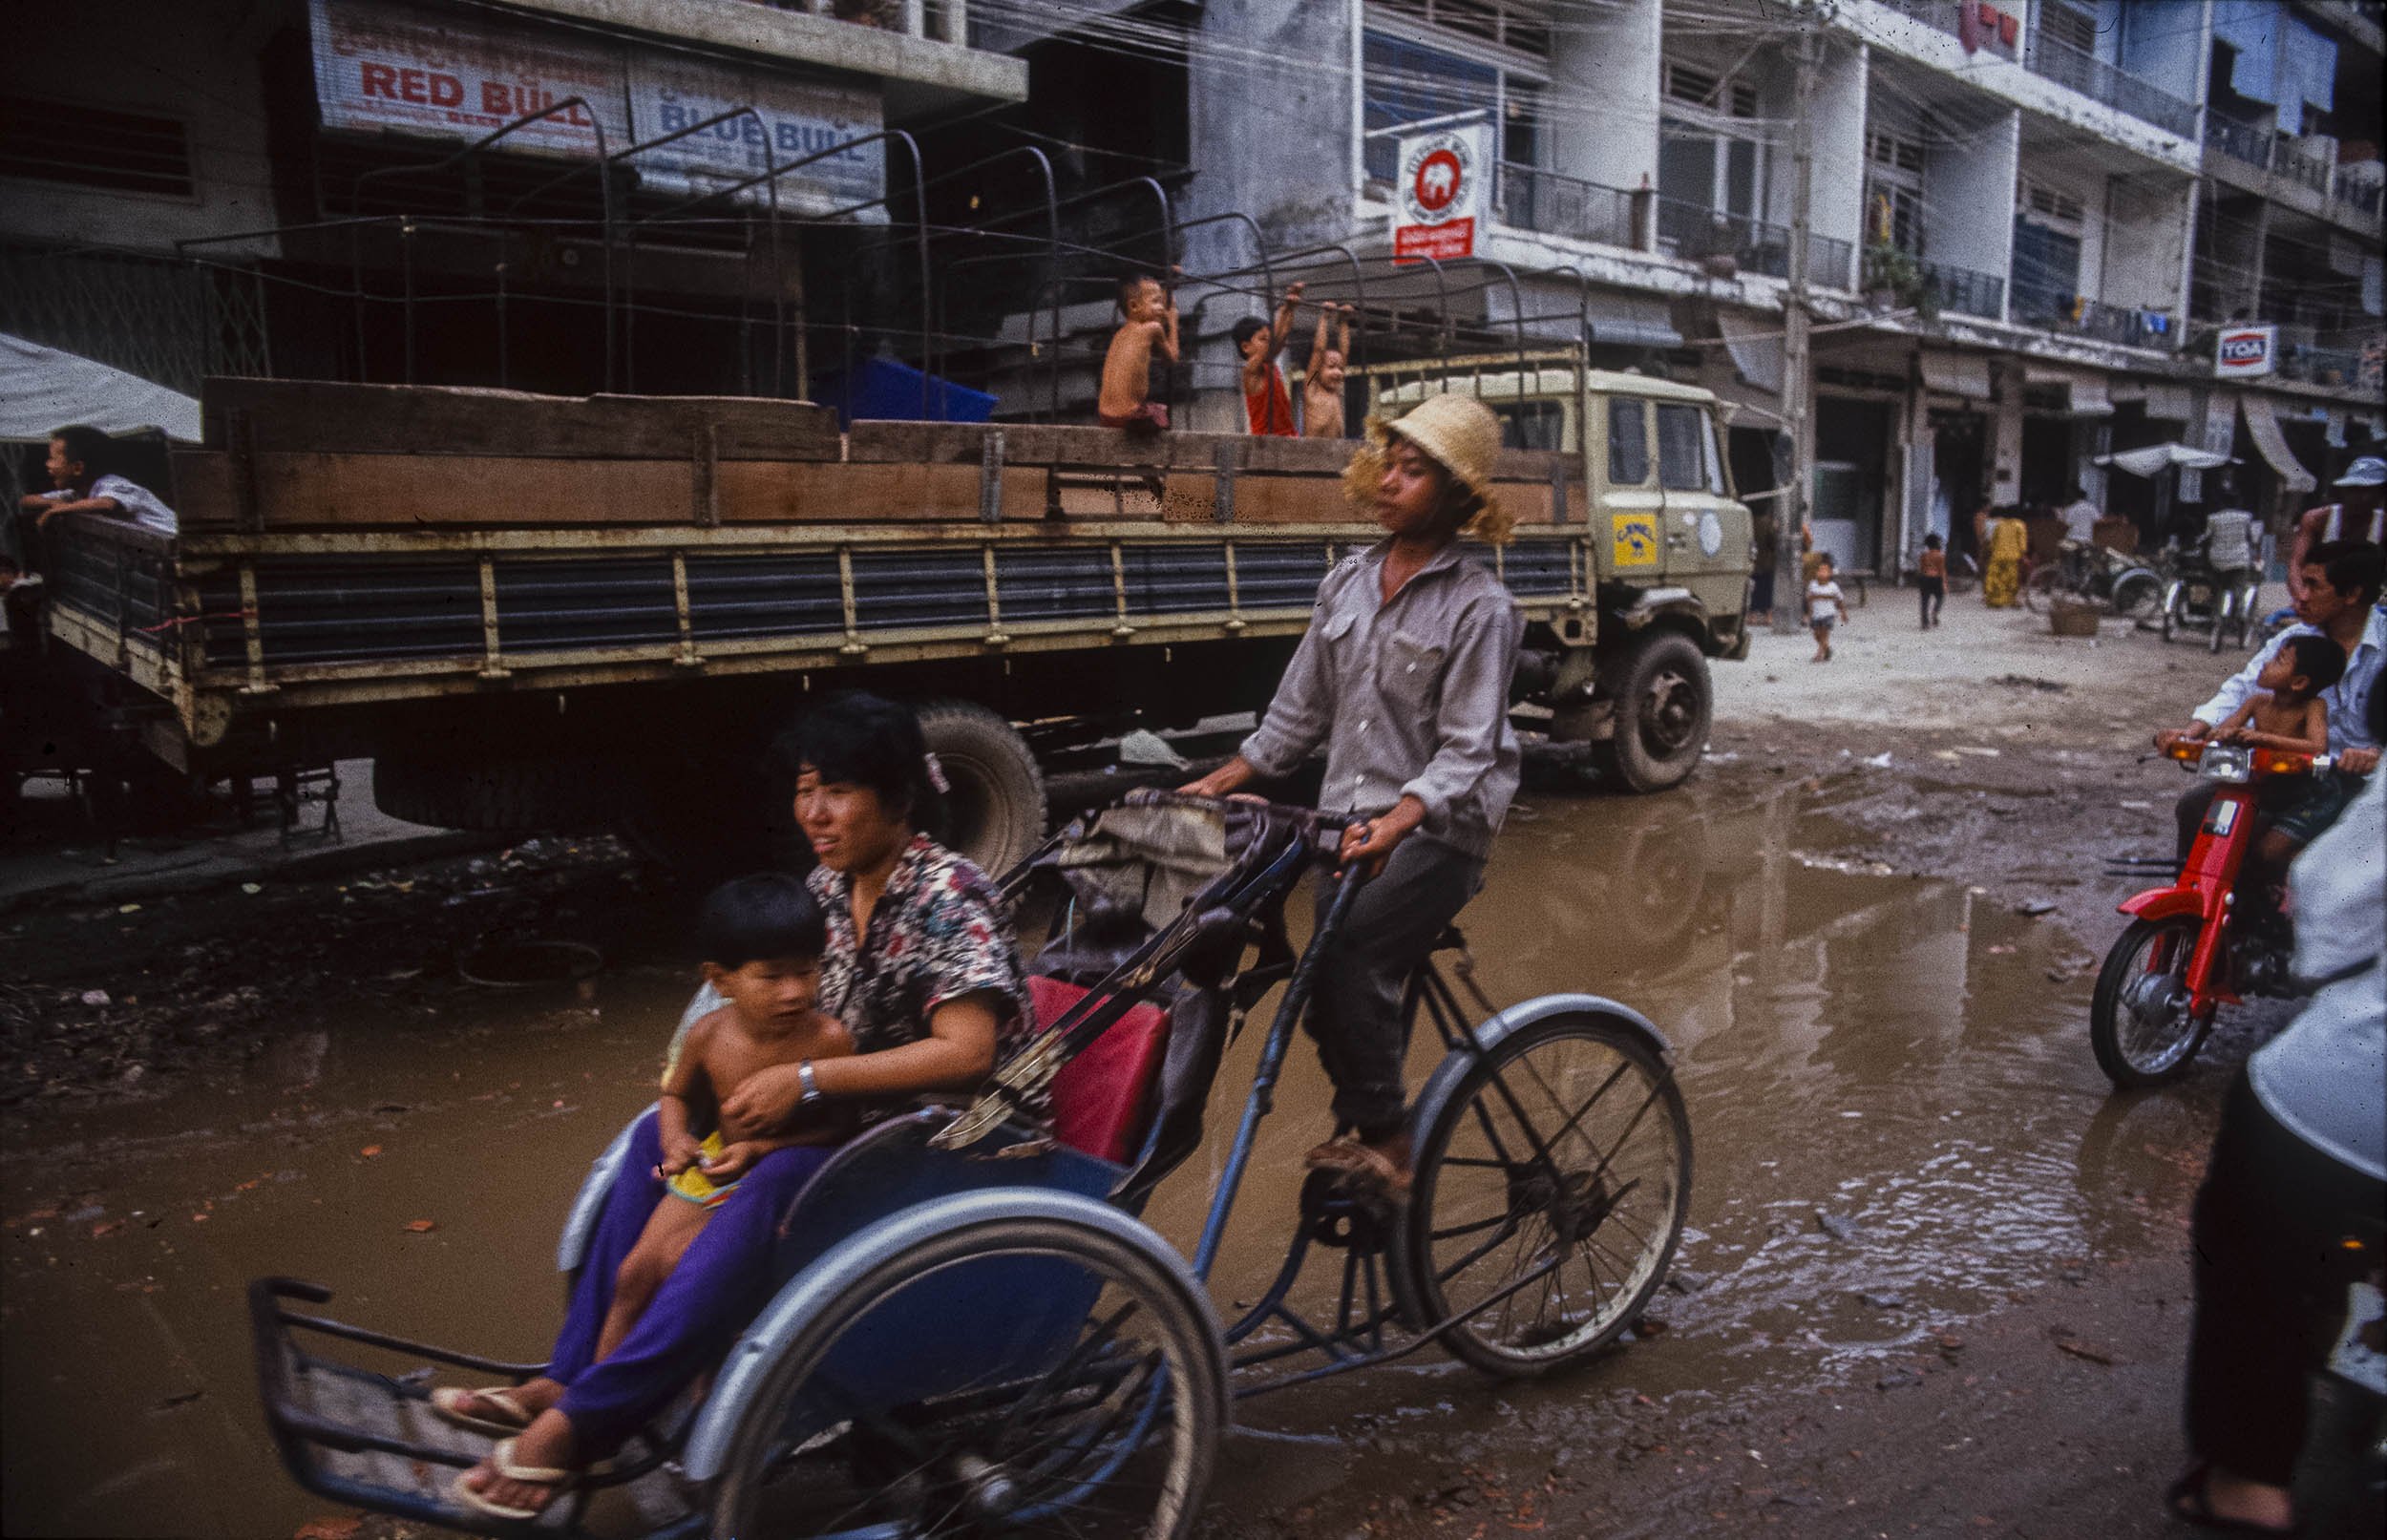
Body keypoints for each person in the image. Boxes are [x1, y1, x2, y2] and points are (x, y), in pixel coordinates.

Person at [448, 692, 1034, 1521]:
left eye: (837, 790)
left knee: (768, 1184)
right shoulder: (828, 886)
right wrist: (691, 1103)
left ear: (899, 794)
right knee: (656, 1137)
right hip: (847, 1124)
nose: (815, 813)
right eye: (804, 789)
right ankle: (570, 1371)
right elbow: (738, 1013)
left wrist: (805, 1085)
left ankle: (586, 1419)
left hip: (941, 1141)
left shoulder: (949, 893)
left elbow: (968, 1054)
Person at [1179, 394, 1521, 1197]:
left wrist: (1401, 820)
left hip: (1438, 830)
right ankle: (1374, 1127)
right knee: (1312, 974)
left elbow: (1470, 749)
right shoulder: (1348, 581)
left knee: (1345, 954)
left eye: (1414, 472)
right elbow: (1298, 713)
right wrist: (1224, 778)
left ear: (1457, 495)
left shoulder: (1482, 607)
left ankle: (1389, 1140)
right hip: (1344, 822)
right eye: (1389, 467)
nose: (1391, 484)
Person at [2165, 679, 2383, 1538]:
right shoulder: (2281, 658)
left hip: (2344, 1097)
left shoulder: (2332, 672)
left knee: (2253, 1252)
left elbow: (2336, 904)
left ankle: (2247, 1487)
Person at [2157, 539, 2384, 862]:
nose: (2299, 596)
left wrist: (2374, 755)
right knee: (2198, 808)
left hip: (2362, 787)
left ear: (2352, 594)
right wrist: (2191, 732)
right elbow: (2242, 688)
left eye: (2312, 586)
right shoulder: (2291, 641)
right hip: (2288, 776)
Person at [2210, 633, 2346, 885]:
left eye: (2279, 661)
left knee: (2269, 853)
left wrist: (2261, 738)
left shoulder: (2313, 706)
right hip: (2270, 786)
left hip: (2310, 794)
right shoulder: (2257, 702)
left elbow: (2318, 746)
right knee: (2208, 817)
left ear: (2299, 682)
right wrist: (2221, 733)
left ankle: (2315, 880)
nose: (2266, 664)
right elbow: (2223, 730)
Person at [15, 426, 177, 537]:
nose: (47, 464)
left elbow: (107, 504)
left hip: (181, 541)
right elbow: (25, 501)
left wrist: (58, 509)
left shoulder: (113, 484)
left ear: (78, 468)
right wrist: (53, 503)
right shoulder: (76, 493)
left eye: (52, 458)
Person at [2286, 455, 2385, 604]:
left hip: (2367, 602)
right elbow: (2296, 565)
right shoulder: (2316, 520)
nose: (2359, 497)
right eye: (2353, 490)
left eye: (2366, 491)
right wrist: (2302, 597)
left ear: (2381, 494)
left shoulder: (2384, 525)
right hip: (2320, 598)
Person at [1097, 273, 1178, 435]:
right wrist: (1172, 319)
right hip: (1128, 416)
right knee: (1161, 413)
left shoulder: (1120, 334)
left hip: (1105, 415)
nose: (1162, 308)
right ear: (1134, 306)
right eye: (1156, 302)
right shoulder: (1153, 328)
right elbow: (1172, 359)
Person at [1236, 280, 1305, 436]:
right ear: (1246, 347)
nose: (1268, 341)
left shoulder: (1270, 364)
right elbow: (1275, 341)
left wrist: (1290, 308)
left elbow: (1282, 335)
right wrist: (1285, 308)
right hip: (1265, 442)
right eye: (1262, 339)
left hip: (1288, 435)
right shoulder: (1250, 370)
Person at [2200, 478, 2259, 606]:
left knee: (2218, 588)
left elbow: (2206, 538)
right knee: (2238, 589)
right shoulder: (2246, 517)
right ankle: (2238, 614)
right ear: (2238, 501)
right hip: (2239, 559)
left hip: (2217, 560)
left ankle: (2216, 607)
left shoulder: (2213, 519)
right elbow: (2252, 539)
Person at [1302, 302, 1354, 439]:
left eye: (1339, 368)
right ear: (1317, 370)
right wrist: (1325, 317)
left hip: (1335, 451)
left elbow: (1345, 352)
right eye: (1331, 367)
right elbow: (1318, 351)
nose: (1338, 372)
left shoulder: (1335, 392)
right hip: (1313, 452)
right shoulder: (1311, 388)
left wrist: (1344, 322)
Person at [1976, 504, 2028, 608]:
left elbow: (1993, 541)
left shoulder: (2000, 525)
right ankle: (2011, 600)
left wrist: (1992, 551)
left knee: (1995, 578)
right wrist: (2023, 555)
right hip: (2012, 557)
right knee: (2011, 579)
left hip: (1997, 555)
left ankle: (1995, 600)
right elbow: (2022, 545)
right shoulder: (2020, 525)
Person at [1806, 552, 1848, 662]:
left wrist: (1843, 613)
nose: (1821, 573)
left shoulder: (1833, 587)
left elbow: (1840, 600)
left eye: (1825, 571)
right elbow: (1809, 599)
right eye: (1820, 570)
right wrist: (1809, 613)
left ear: (1830, 574)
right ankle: (1827, 649)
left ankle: (1819, 654)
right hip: (1816, 614)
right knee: (1817, 634)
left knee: (1824, 634)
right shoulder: (1813, 584)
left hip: (1828, 614)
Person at [1916, 534, 1946, 629]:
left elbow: (1921, 568)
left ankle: (1925, 622)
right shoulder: (1940, 556)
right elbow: (1942, 570)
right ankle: (1935, 612)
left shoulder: (1924, 555)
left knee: (1924, 601)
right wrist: (1944, 583)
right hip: (1936, 578)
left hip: (1925, 578)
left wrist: (1920, 579)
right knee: (1940, 597)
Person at [2059, 481, 2102, 547]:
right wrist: (2116, 520)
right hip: (2086, 540)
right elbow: (2100, 521)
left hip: (2072, 539)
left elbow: (2066, 524)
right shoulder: (2091, 507)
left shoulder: (2071, 508)